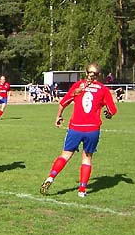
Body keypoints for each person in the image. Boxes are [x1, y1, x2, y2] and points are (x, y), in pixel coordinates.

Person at [40, 63, 117, 198]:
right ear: (99, 75)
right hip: (92, 129)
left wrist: (58, 116)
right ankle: (82, 190)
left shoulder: (78, 86)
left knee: (65, 155)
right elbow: (112, 110)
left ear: (86, 73)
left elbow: (63, 103)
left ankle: (51, 177)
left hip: (75, 127)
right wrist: (108, 114)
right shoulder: (103, 89)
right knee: (87, 158)